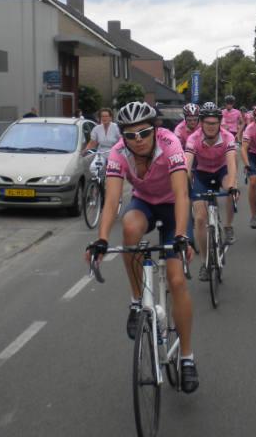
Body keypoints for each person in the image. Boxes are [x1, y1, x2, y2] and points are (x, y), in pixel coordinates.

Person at [84, 101, 199, 393]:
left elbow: (181, 194)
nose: (138, 140)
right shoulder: (118, 152)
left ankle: (187, 357)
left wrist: (181, 235)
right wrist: (102, 239)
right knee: (130, 227)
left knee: (176, 281)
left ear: (155, 130)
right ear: (122, 136)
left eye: (144, 133)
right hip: (145, 203)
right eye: (131, 135)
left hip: (173, 208)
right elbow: (112, 200)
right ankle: (137, 300)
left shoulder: (170, 144)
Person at [184, 103, 238, 281]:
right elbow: (187, 165)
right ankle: (205, 263)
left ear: (220, 123)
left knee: (230, 189)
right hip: (202, 175)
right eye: (207, 123)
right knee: (200, 219)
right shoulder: (193, 138)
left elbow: (231, 163)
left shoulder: (227, 137)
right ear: (201, 123)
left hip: (222, 171)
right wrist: (184, 186)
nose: (211, 127)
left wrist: (232, 185)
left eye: (214, 123)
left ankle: (228, 226)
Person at [81, 107, 122, 178]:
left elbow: (121, 140)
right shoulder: (97, 129)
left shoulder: (116, 127)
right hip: (101, 153)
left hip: (114, 152)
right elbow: (92, 142)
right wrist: (85, 150)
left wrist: (120, 149)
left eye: (106, 116)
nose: (104, 118)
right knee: (93, 168)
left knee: (113, 171)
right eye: (102, 116)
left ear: (110, 118)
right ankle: (97, 182)